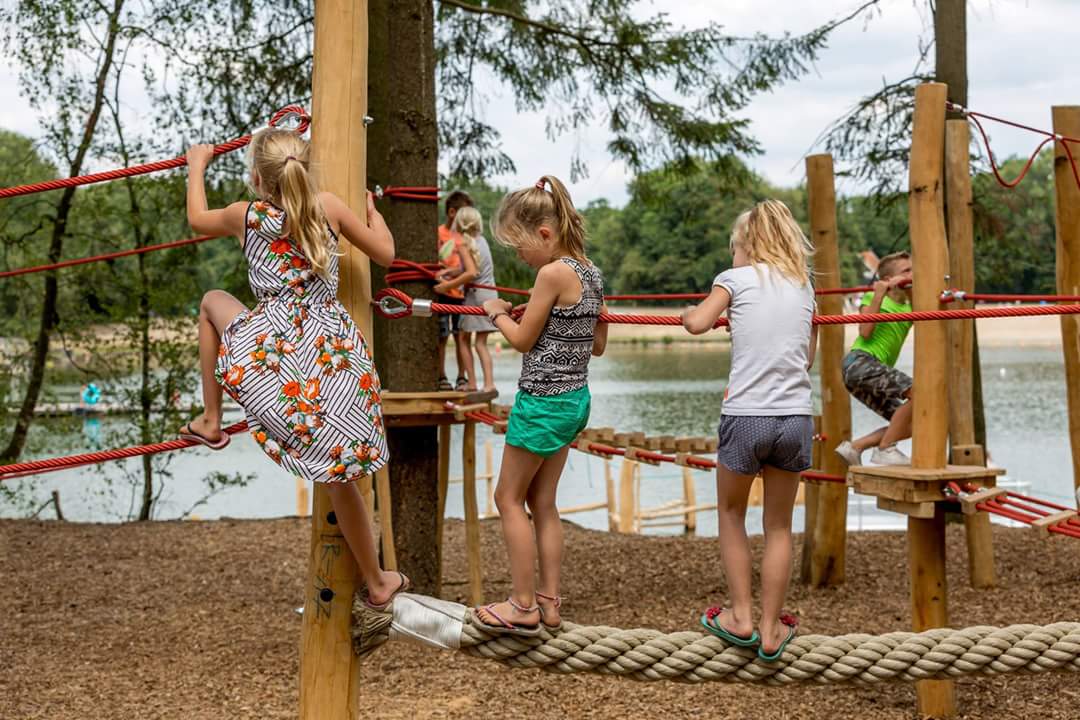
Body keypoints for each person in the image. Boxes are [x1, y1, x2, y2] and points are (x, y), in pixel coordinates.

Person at [179, 127, 408, 608]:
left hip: (276, 358)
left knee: (211, 302)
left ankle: (211, 418)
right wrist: (373, 214)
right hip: (334, 356)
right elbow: (386, 254)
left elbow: (197, 218)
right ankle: (377, 578)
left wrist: (197, 165)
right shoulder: (330, 207)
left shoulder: (247, 215)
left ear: (258, 181)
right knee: (339, 474)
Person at [681, 199, 817, 662]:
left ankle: (739, 616)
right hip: (796, 418)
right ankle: (772, 627)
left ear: (747, 246)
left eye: (734, 246)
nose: (732, 254)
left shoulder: (733, 279)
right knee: (779, 526)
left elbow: (698, 323)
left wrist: (690, 314)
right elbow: (806, 358)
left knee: (731, 513)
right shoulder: (804, 287)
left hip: (747, 416)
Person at [473, 176, 607, 635]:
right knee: (543, 502)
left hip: (544, 402)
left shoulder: (551, 274)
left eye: (519, 246)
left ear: (545, 235)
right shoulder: (590, 272)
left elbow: (523, 339)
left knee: (507, 498)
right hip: (575, 400)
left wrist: (495, 314)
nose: (519, 256)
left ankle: (523, 605)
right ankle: (550, 602)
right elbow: (598, 343)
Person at [833, 251, 914, 467]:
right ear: (888, 280)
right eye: (906, 271)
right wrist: (879, 293)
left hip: (867, 372)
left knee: (910, 423)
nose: (912, 274)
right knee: (919, 394)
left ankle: (855, 447)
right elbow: (865, 331)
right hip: (860, 362)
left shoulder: (910, 306)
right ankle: (886, 449)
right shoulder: (873, 298)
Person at [444, 206, 498, 393]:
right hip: (489, 295)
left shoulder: (463, 244)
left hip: (476, 295)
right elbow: (471, 268)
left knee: (463, 338)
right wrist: (450, 272)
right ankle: (489, 383)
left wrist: (446, 286)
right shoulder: (481, 241)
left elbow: (471, 272)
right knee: (480, 342)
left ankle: (473, 383)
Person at [436, 191, 478, 391]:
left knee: (462, 336)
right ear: (452, 213)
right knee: (442, 335)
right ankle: (441, 376)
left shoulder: (465, 238)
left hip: (462, 296)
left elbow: (470, 268)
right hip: (443, 294)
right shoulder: (439, 234)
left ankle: (462, 377)